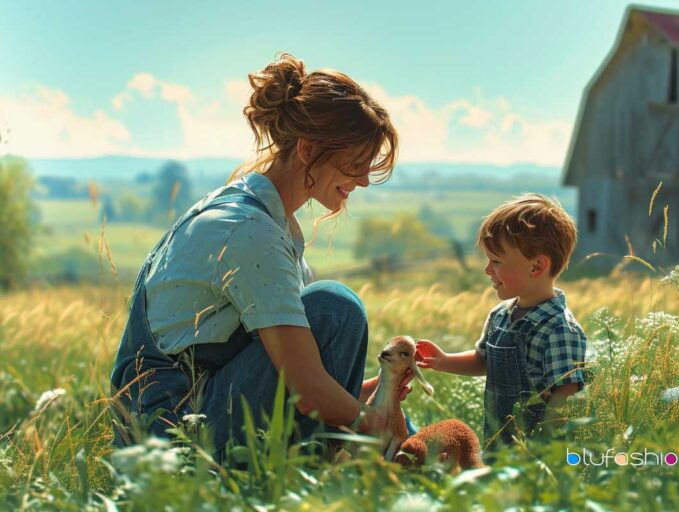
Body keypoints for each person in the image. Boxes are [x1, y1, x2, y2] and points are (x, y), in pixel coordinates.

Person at [110, 53, 409, 457]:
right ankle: (320, 474)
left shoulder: (264, 219)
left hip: (194, 413)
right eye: (355, 165)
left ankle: (328, 465)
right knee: (335, 309)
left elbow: (290, 372)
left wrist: (380, 389)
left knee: (336, 321)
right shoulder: (248, 230)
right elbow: (305, 388)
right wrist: (367, 423)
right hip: (172, 436)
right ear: (307, 150)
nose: (362, 181)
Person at [415, 194, 587, 449]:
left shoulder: (559, 329)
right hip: (496, 438)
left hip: (536, 449)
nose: (487, 270)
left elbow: (565, 393)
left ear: (536, 266)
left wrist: (543, 444)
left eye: (496, 261)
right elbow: (483, 360)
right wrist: (443, 360)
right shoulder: (500, 315)